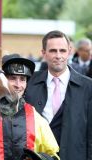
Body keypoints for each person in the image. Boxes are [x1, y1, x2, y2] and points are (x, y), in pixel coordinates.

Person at [25, 30, 92, 160]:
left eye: (62, 50)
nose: (58, 55)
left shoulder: (88, 87)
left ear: (70, 51)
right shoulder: (28, 83)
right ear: (43, 53)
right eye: (53, 51)